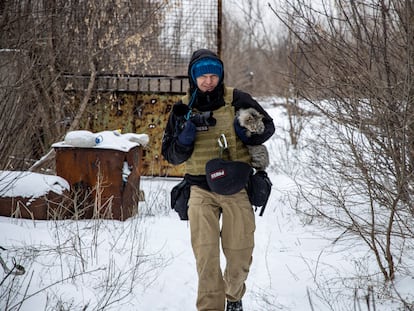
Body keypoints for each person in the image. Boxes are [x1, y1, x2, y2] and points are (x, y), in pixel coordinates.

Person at [161, 49, 275, 311]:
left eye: (214, 75)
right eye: (203, 76)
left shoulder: (237, 99)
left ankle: (234, 296)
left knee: (239, 255)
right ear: (193, 78)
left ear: (220, 75)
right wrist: (184, 139)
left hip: (236, 187)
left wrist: (246, 133)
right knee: (206, 257)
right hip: (200, 189)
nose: (209, 81)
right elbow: (170, 155)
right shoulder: (182, 108)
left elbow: (267, 127)